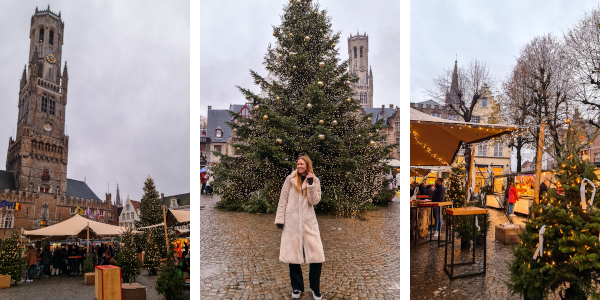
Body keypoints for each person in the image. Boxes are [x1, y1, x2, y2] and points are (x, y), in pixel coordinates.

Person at [275, 155, 325, 300]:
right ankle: (297, 288)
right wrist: (280, 219)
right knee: (293, 256)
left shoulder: (314, 180)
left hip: (309, 222)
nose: (299, 166)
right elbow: (283, 198)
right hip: (291, 222)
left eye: (302, 164)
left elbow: (314, 201)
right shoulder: (290, 179)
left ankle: (315, 289)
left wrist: (310, 184)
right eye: (298, 164)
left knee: (316, 256)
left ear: (307, 165)